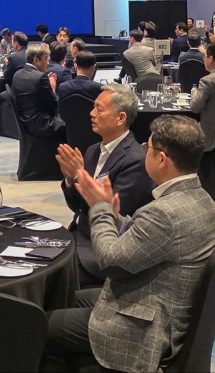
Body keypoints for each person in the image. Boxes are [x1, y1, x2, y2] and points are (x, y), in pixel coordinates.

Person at [44, 115, 215, 373]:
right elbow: (152, 239)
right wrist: (115, 216)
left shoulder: (163, 213)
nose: (142, 150)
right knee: (64, 297)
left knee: (39, 326)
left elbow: (110, 262)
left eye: (147, 147)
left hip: (145, 328)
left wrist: (100, 209)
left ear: (162, 159)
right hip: (164, 308)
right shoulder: (202, 199)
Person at [56, 84, 156, 287]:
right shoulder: (93, 150)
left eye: (99, 109)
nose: (91, 113)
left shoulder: (135, 160)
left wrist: (79, 177)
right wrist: (70, 181)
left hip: (100, 249)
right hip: (78, 236)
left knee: (51, 279)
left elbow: (111, 213)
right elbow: (79, 207)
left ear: (120, 118)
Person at [12, 44, 65, 139]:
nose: (48, 63)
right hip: (42, 124)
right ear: (36, 60)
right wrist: (52, 87)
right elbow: (54, 103)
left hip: (25, 121)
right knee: (73, 121)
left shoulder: (17, 74)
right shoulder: (40, 77)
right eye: (46, 59)